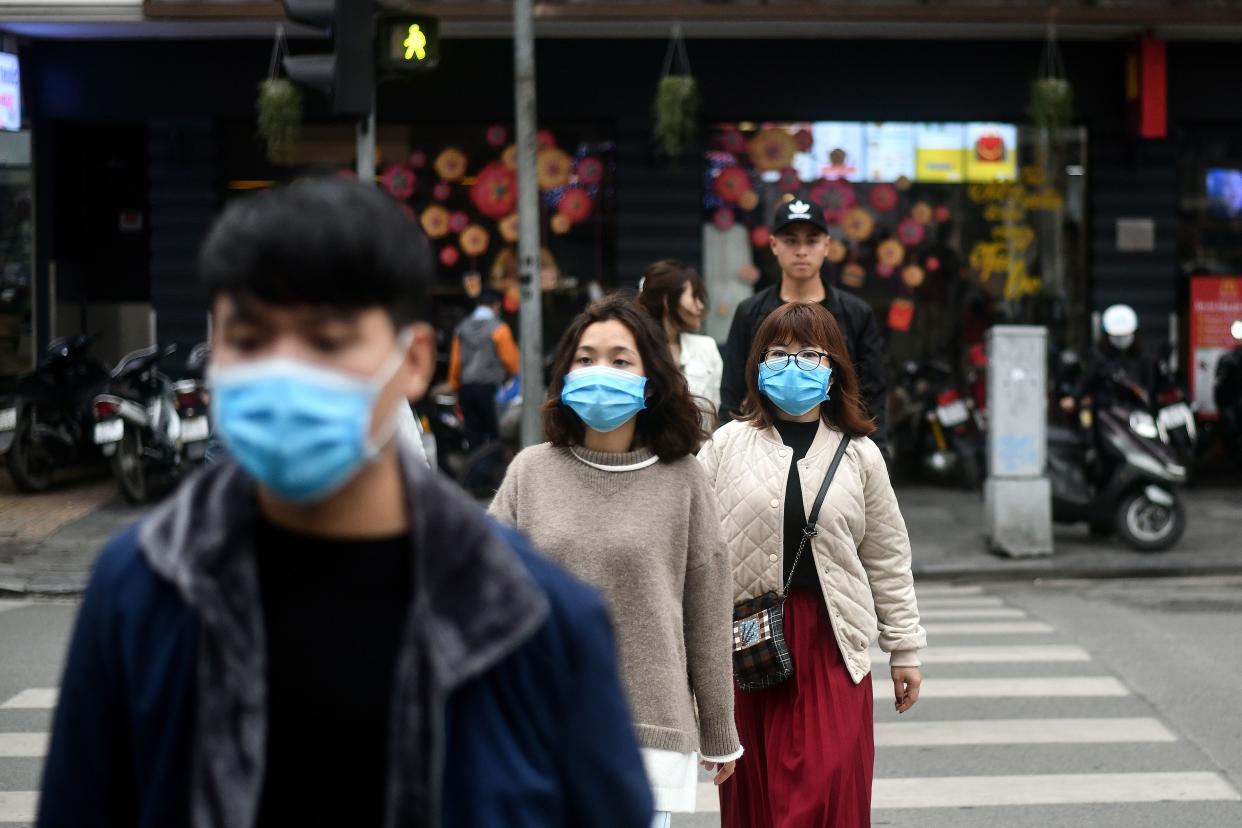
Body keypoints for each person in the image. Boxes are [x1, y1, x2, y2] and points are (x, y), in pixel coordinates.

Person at [37, 179, 653, 828]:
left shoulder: (537, 621)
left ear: (413, 359)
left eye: (326, 342)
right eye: (249, 340)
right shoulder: (143, 589)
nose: (284, 371)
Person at [489, 295, 742, 828]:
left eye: (620, 359)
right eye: (585, 358)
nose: (599, 371)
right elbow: (483, 595)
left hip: (649, 733)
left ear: (650, 381)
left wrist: (719, 728)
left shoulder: (684, 480)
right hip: (539, 725)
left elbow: (707, 606)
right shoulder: (529, 473)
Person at [699, 301, 925, 828]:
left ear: (834, 369)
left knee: (824, 791)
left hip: (832, 642)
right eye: (778, 354)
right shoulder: (726, 447)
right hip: (750, 649)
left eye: (809, 354)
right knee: (759, 802)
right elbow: (694, 553)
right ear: (757, 366)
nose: (792, 364)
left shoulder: (860, 453)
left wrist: (904, 647)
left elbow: (888, 556)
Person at [719, 199, 889, 452]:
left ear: (827, 246)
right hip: (761, 446)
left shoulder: (855, 313)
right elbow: (733, 389)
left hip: (839, 447)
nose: (801, 251)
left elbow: (872, 393)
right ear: (774, 245)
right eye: (790, 241)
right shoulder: (750, 312)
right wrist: (728, 449)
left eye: (811, 241)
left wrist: (876, 452)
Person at [637, 258, 724, 429]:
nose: (700, 306)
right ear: (667, 300)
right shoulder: (636, 351)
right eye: (694, 296)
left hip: (699, 451)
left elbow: (717, 410)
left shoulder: (706, 348)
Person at [448, 287, 520, 450]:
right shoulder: (499, 328)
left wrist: (454, 387)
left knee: (473, 437)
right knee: (495, 436)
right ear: (496, 306)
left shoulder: (461, 328)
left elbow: (456, 362)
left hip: (466, 389)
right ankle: (494, 472)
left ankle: (476, 470)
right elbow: (511, 361)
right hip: (490, 390)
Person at [1059, 303, 1155, 413]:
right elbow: (1087, 379)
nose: (1121, 340)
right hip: (1106, 412)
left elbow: (1151, 385)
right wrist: (1074, 398)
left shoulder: (1143, 356)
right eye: (1116, 336)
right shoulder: (1100, 356)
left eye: (1125, 335)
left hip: (1137, 413)